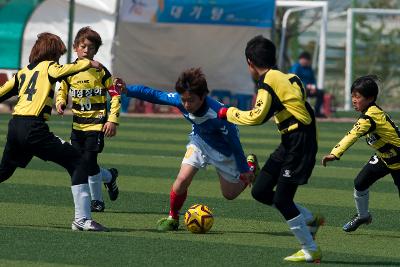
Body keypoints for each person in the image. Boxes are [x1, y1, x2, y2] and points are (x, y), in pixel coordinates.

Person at [218, 35, 323, 263]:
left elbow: (257, 117)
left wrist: (229, 113)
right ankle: (308, 218)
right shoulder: (287, 76)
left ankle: (310, 249)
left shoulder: (268, 81)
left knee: (284, 200)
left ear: (250, 62)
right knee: (261, 190)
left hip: (300, 142)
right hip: (291, 140)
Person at [122, 67, 256, 232]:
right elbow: (154, 94)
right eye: (183, 100)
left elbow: (234, 143)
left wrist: (244, 169)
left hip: (223, 149)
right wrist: (127, 89)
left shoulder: (219, 115)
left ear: (203, 96)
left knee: (229, 194)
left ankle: (252, 167)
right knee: (182, 179)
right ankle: (173, 217)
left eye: (191, 100)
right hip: (199, 141)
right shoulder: (181, 100)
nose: (186, 105)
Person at [0, 32, 107, 231]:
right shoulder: (50, 66)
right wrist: (88, 63)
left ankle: (82, 220)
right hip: (34, 128)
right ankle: (82, 220)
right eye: (58, 54)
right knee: (78, 162)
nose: (59, 58)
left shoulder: (23, 72)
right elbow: (65, 70)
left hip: (15, 126)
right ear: (52, 53)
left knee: (4, 172)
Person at [322, 75, 400, 232]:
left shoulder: (370, 117)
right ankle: (363, 216)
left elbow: (352, 135)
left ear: (370, 98)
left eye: (357, 96)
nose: (353, 100)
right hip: (385, 159)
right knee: (360, 183)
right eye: (352, 96)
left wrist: (334, 153)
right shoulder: (370, 112)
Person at [56, 27, 121, 212]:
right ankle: (109, 177)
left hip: (97, 123)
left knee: (89, 161)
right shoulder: (69, 71)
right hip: (77, 125)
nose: (86, 50)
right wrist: (60, 102)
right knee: (78, 163)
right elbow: (62, 89)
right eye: (83, 46)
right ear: (75, 47)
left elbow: (115, 94)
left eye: (91, 48)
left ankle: (97, 202)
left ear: (95, 51)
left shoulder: (101, 71)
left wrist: (112, 119)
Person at [289, 51, 326, 118]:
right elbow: (295, 79)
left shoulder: (309, 69)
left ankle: (317, 112)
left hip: (309, 89)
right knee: (303, 91)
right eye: (304, 60)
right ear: (300, 60)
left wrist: (314, 87)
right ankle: (298, 112)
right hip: (297, 89)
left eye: (307, 60)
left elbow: (313, 80)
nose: (305, 62)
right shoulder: (296, 67)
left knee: (320, 92)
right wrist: (306, 86)